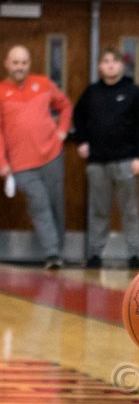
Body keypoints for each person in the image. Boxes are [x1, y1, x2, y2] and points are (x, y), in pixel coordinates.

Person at [73, 46, 139, 269]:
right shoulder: (92, 92)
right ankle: (95, 254)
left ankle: (134, 254)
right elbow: (78, 117)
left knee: (130, 210)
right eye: (106, 61)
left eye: (114, 61)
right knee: (99, 211)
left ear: (121, 65)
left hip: (126, 161)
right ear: (100, 66)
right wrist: (82, 141)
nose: (110, 65)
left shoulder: (133, 91)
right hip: (97, 162)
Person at [0, 44, 72, 269]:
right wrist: (2, 162)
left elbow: (65, 105)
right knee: (39, 205)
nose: (19, 67)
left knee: (55, 204)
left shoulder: (43, 83)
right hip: (21, 165)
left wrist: (62, 132)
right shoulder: (1, 91)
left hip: (52, 156)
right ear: (7, 64)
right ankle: (52, 254)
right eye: (15, 62)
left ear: (29, 64)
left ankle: (58, 251)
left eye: (24, 62)